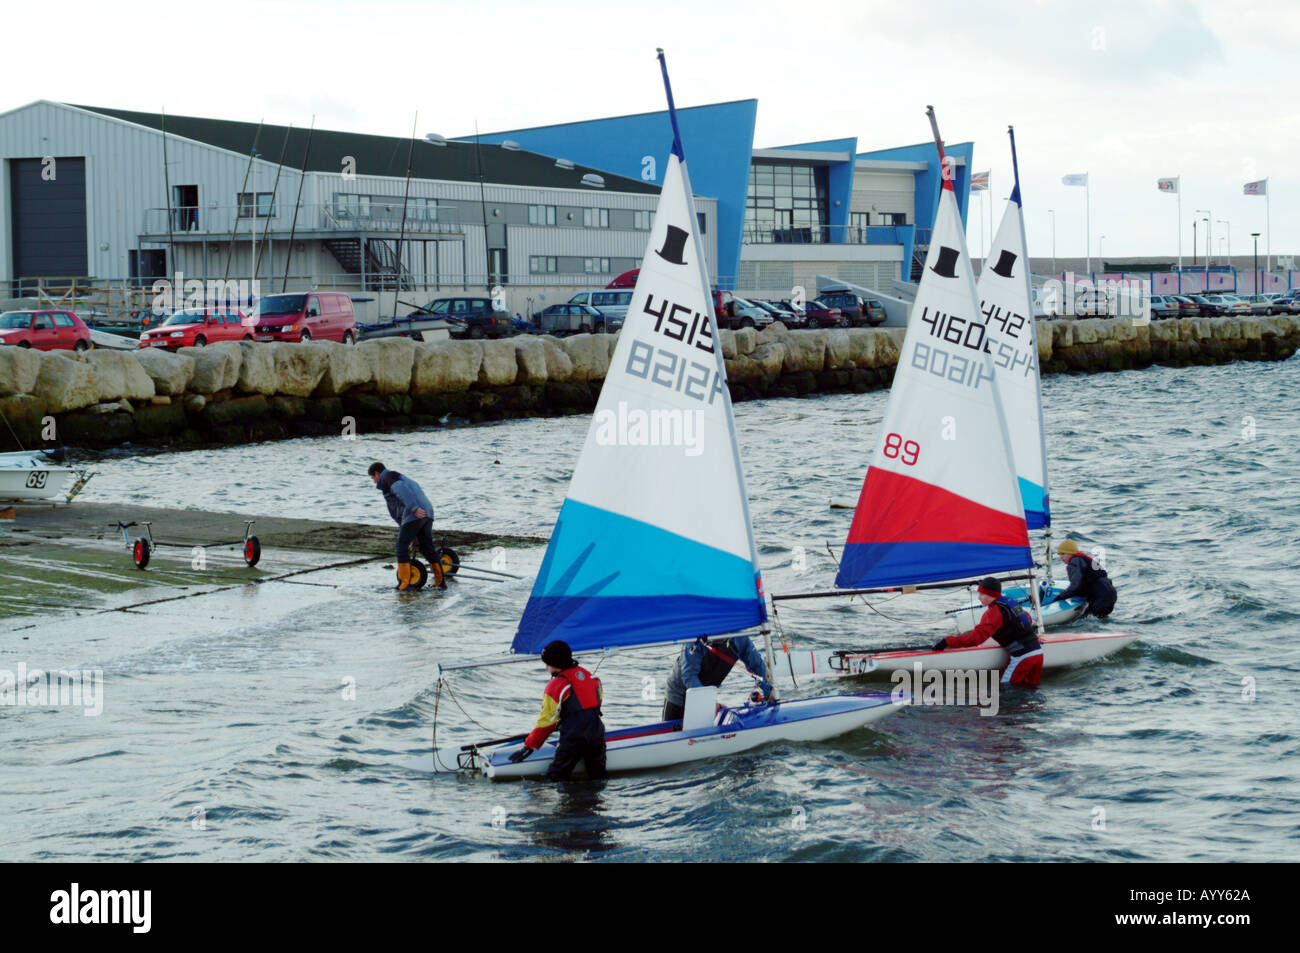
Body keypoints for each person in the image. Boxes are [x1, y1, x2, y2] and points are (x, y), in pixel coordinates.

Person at [508, 640, 607, 781]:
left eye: (547, 664)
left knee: (556, 777)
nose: (546, 668)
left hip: (574, 737)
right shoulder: (590, 676)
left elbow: (547, 721)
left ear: (557, 664)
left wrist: (529, 746)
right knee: (598, 775)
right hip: (597, 732)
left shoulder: (556, 685)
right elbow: (597, 702)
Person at [932, 577, 1044, 687]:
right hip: (1038, 653)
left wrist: (947, 641)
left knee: (1005, 688)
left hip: (1023, 657)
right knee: (1030, 689)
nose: (979, 597)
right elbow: (1027, 619)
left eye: (982, 594)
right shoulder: (1011, 602)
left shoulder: (993, 612)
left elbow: (976, 639)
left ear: (991, 595)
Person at [368, 461, 443, 591]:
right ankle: (440, 583)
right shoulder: (398, 476)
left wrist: (414, 508)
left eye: (373, 478)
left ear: (377, 473)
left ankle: (404, 583)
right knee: (426, 548)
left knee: (401, 546)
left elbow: (401, 489)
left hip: (415, 513)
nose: (374, 482)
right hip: (427, 512)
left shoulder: (387, 477)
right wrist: (413, 537)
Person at [662, 635, 774, 722]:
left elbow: (757, 666)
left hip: (705, 694)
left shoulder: (740, 637)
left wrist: (769, 692)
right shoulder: (695, 638)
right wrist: (710, 704)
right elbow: (689, 677)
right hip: (678, 694)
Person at [1051, 539, 1117, 618]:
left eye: (1063, 554)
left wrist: (1059, 597)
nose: (1061, 557)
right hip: (1110, 594)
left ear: (1071, 553)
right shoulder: (1084, 559)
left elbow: (1075, 586)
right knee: (1093, 618)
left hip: (1101, 598)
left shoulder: (1074, 563)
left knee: (1091, 621)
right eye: (1059, 554)